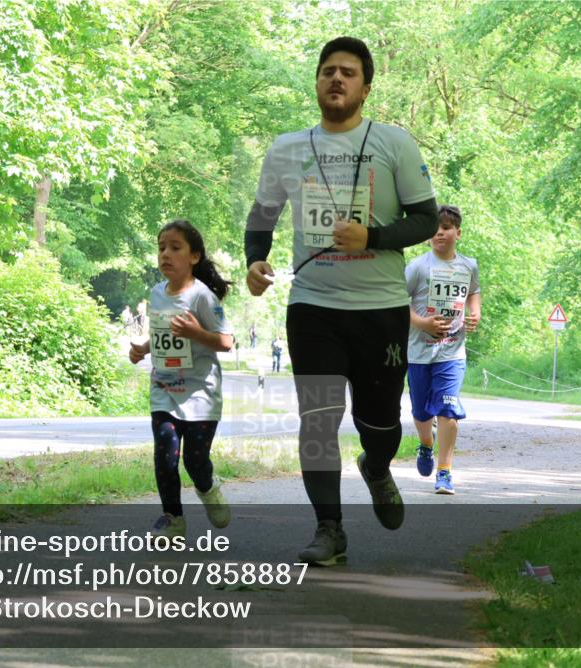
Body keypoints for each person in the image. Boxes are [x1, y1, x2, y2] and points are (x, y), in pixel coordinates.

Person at [244, 36, 439, 566]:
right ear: (316, 83)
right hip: (313, 306)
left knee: (380, 424)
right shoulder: (287, 146)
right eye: (327, 70)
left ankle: (376, 468)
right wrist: (255, 261)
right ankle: (329, 529)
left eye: (348, 72)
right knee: (318, 421)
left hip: (379, 308)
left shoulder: (394, 143)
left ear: (365, 87)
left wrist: (372, 238)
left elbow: (426, 218)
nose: (336, 78)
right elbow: (263, 215)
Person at [129, 220, 234, 539]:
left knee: (195, 459)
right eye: (161, 247)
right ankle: (172, 517)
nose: (166, 254)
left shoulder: (203, 297)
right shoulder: (156, 293)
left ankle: (208, 487)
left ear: (194, 256)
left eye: (175, 248)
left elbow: (227, 341)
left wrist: (196, 332)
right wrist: (144, 349)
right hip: (164, 390)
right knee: (165, 452)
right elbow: (163, 332)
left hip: (201, 393)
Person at [405, 205, 480, 495]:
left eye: (447, 227)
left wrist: (475, 313)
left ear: (457, 233)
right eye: (435, 228)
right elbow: (398, 302)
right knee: (422, 411)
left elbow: (474, 291)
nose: (440, 232)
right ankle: (426, 443)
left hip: (453, 352)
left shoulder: (468, 265)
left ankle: (445, 472)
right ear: (427, 236)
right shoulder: (417, 267)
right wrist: (423, 323)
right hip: (419, 352)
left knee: (448, 409)